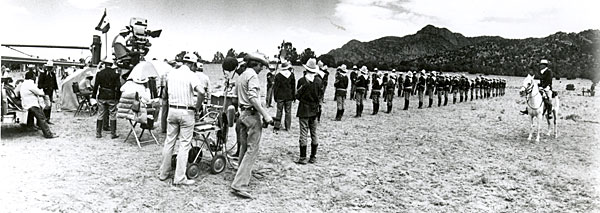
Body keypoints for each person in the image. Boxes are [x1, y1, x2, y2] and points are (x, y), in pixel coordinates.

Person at [230, 52, 273, 199]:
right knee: (252, 149)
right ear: (257, 64)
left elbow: (234, 99)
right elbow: (254, 98)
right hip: (251, 114)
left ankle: (240, 175)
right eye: (261, 66)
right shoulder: (252, 76)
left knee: (243, 146)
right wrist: (265, 115)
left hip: (242, 114)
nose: (261, 69)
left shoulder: (241, 76)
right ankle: (239, 185)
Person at [158, 52, 204, 186]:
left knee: (169, 142)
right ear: (193, 64)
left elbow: (165, 93)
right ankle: (179, 177)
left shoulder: (171, 73)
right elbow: (201, 92)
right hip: (186, 111)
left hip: (172, 110)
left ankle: (164, 173)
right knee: (184, 145)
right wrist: (197, 106)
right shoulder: (191, 75)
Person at [295, 58, 323, 165]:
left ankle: (303, 157)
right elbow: (320, 96)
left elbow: (297, 95)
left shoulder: (302, 81)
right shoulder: (319, 81)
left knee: (303, 133)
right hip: (314, 109)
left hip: (303, 109)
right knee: (314, 133)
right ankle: (313, 156)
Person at [19, 71, 58, 138]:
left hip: (26, 102)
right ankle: (48, 134)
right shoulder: (30, 84)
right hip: (31, 103)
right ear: (31, 77)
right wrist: (43, 91)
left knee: (31, 113)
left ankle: (30, 126)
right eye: (34, 76)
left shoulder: (24, 83)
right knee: (42, 117)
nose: (35, 77)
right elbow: (39, 93)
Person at [92, 59, 122, 139]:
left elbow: (96, 86)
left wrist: (93, 96)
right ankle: (113, 133)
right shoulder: (115, 74)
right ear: (112, 64)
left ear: (104, 64)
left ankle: (98, 133)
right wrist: (118, 97)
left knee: (100, 114)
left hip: (102, 95)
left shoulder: (99, 73)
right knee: (113, 114)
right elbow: (118, 87)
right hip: (111, 96)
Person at [273, 62, 296, 130]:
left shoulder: (278, 75)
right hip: (289, 96)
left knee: (279, 111)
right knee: (288, 112)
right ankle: (287, 126)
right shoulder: (291, 75)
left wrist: (275, 96)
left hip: (280, 96)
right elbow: (293, 87)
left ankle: (277, 125)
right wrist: (294, 96)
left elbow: (276, 87)